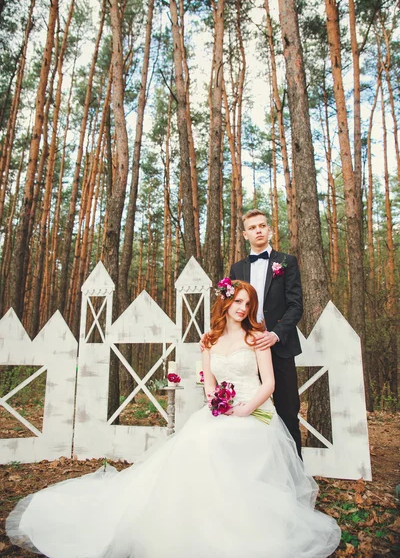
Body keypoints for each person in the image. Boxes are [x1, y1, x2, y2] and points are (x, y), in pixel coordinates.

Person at [6, 280, 340, 558]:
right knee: (195, 439)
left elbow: (269, 383)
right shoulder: (209, 340)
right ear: (225, 303)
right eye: (237, 301)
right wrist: (214, 398)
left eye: (247, 303)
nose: (242, 307)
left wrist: (244, 408)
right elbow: (208, 378)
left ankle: (234, 520)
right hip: (221, 411)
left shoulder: (257, 338)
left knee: (216, 441)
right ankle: (189, 516)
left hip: (255, 413)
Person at [229, 208, 303, 457]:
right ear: (245, 234)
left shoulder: (286, 262)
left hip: (279, 347)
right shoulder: (237, 269)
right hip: (246, 349)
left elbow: (295, 305)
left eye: (262, 225)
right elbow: (230, 309)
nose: (258, 230)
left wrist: (275, 334)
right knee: (247, 411)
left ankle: (295, 476)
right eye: (252, 227)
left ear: (269, 229)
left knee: (287, 412)